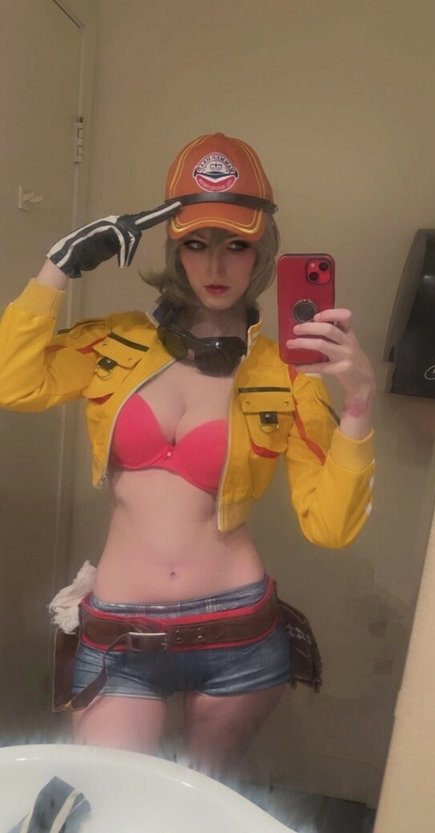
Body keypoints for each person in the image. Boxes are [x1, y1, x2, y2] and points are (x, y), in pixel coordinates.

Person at [0, 132, 375, 776]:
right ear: (174, 251)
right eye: (196, 244)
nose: (215, 266)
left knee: (203, 803)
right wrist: (57, 268)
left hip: (237, 630)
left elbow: (331, 527)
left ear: (262, 253)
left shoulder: (286, 374)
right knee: (113, 797)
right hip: (121, 630)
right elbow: (13, 381)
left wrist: (361, 402)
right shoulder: (116, 342)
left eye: (236, 246)